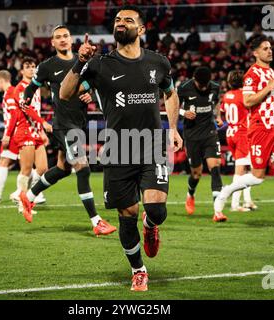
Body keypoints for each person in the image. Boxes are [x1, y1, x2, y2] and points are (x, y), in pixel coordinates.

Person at [59, 5, 183, 291]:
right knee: (127, 215)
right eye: (117, 19)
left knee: (157, 209)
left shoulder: (159, 62)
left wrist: (174, 128)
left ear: (140, 29)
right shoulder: (99, 64)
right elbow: (65, 95)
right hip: (118, 149)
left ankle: (151, 226)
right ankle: (138, 270)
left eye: (128, 19)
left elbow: (171, 93)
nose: (120, 22)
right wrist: (79, 62)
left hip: (152, 145)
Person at [19, 25, 117, 236]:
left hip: (78, 123)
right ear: (52, 43)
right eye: (58, 37)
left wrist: (89, 92)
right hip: (63, 125)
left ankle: (29, 195)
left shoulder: (85, 62)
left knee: (63, 168)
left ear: (71, 40)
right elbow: (32, 85)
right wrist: (26, 97)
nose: (62, 39)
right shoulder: (47, 66)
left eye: (65, 36)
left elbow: (94, 83)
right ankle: (96, 221)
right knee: (83, 167)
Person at [214, 35, 274, 233]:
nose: (270, 51)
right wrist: (269, 88)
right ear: (256, 53)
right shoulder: (251, 75)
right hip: (261, 129)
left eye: (270, 47)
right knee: (258, 177)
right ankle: (227, 191)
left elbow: (270, 102)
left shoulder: (273, 72)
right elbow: (248, 102)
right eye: (265, 48)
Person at [0, 70, 45, 205]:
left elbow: (14, 115)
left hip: (16, 133)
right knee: (22, 165)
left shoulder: (10, 93)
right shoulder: (13, 91)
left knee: (8, 163)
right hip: (20, 132)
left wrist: (7, 135)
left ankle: (1, 195)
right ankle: (35, 193)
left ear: (1, 80)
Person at [178, 66, 227, 222]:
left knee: (215, 167)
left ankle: (217, 211)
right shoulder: (184, 88)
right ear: (194, 79)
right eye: (201, 86)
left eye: (206, 85)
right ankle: (190, 194)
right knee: (196, 173)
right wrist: (183, 113)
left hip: (210, 133)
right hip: (191, 135)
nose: (204, 88)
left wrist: (218, 116)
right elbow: (171, 105)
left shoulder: (215, 87)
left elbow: (217, 102)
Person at [4, 57, 52, 218]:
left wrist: (41, 131)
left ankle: (23, 195)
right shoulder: (20, 88)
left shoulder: (36, 88)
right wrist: (43, 123)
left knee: (43, 168)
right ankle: (22, 203)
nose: (31, 69)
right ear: (22, 71)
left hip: (36, 131)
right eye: (27, 67)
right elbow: (27, 109)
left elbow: (35, 111)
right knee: (25, 170)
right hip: (24, 130)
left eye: (33, 66)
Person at [220, 70, 257, 212]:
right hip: (242, 133)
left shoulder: (227, 95)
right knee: (241, 170)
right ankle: (235, 204)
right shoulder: (244, 95)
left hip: (230, 133)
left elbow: (222, 110)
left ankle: (248, 201)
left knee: (248, 168)